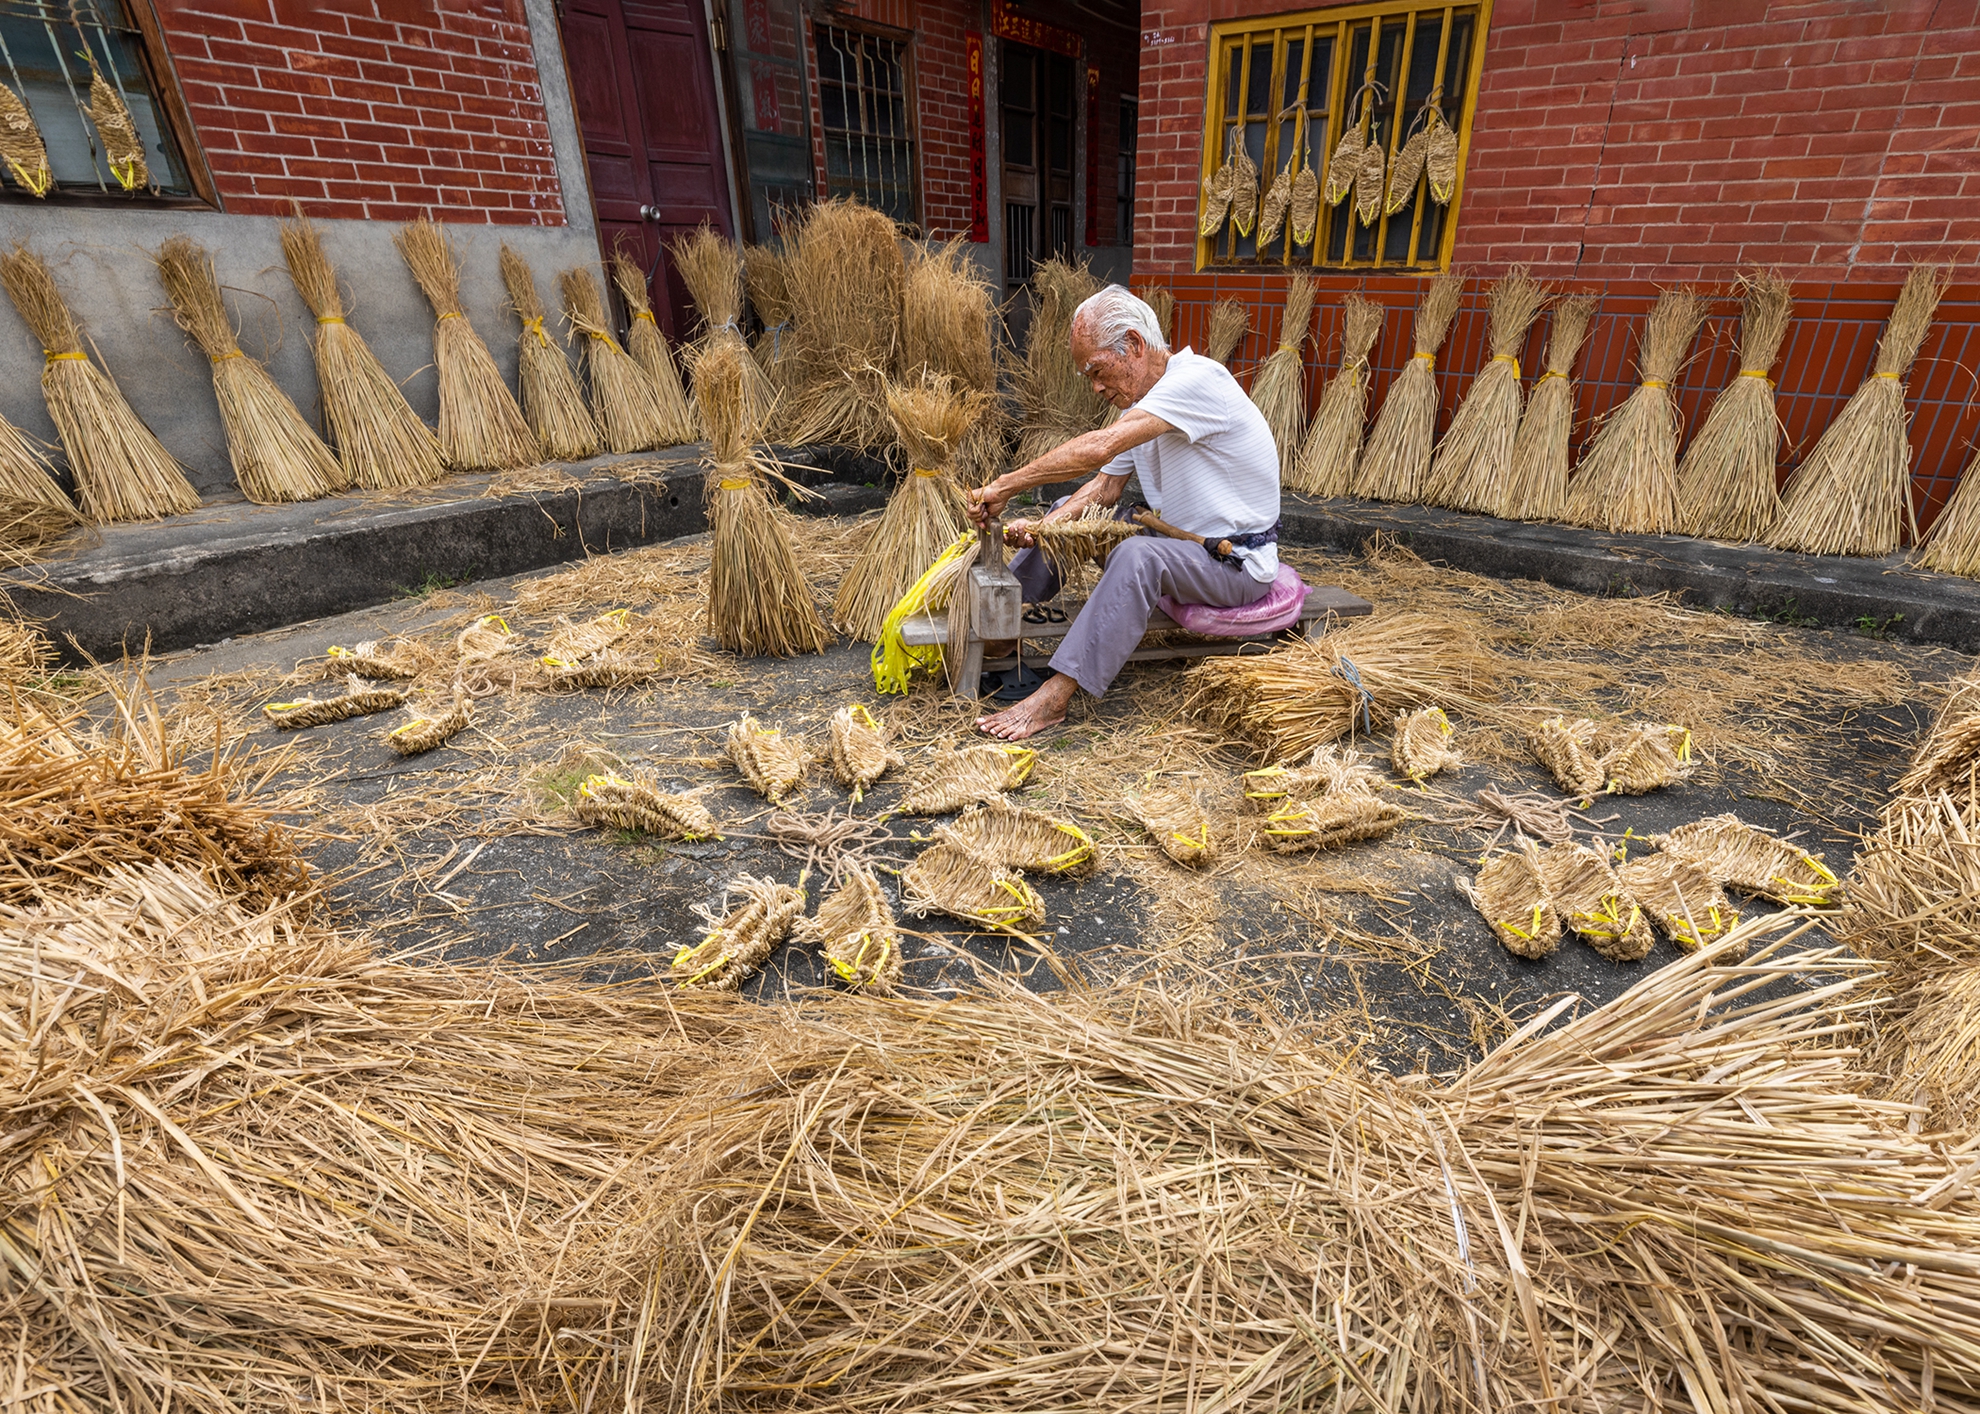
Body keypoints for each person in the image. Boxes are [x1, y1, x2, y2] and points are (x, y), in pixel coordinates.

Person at [969, 284, 1282, 740]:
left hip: (1234, 564)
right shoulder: (1147, 406)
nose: (1095, 386)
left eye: (1097, 369)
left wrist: (1006, 485)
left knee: (1138, 555)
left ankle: (1055, 697)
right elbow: (1104, 487)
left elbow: (1099, 449)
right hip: (1182, 550)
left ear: (1134, 345)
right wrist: (1045, 527)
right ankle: (997, 632)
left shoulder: (1198, 381)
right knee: (1069, 516)